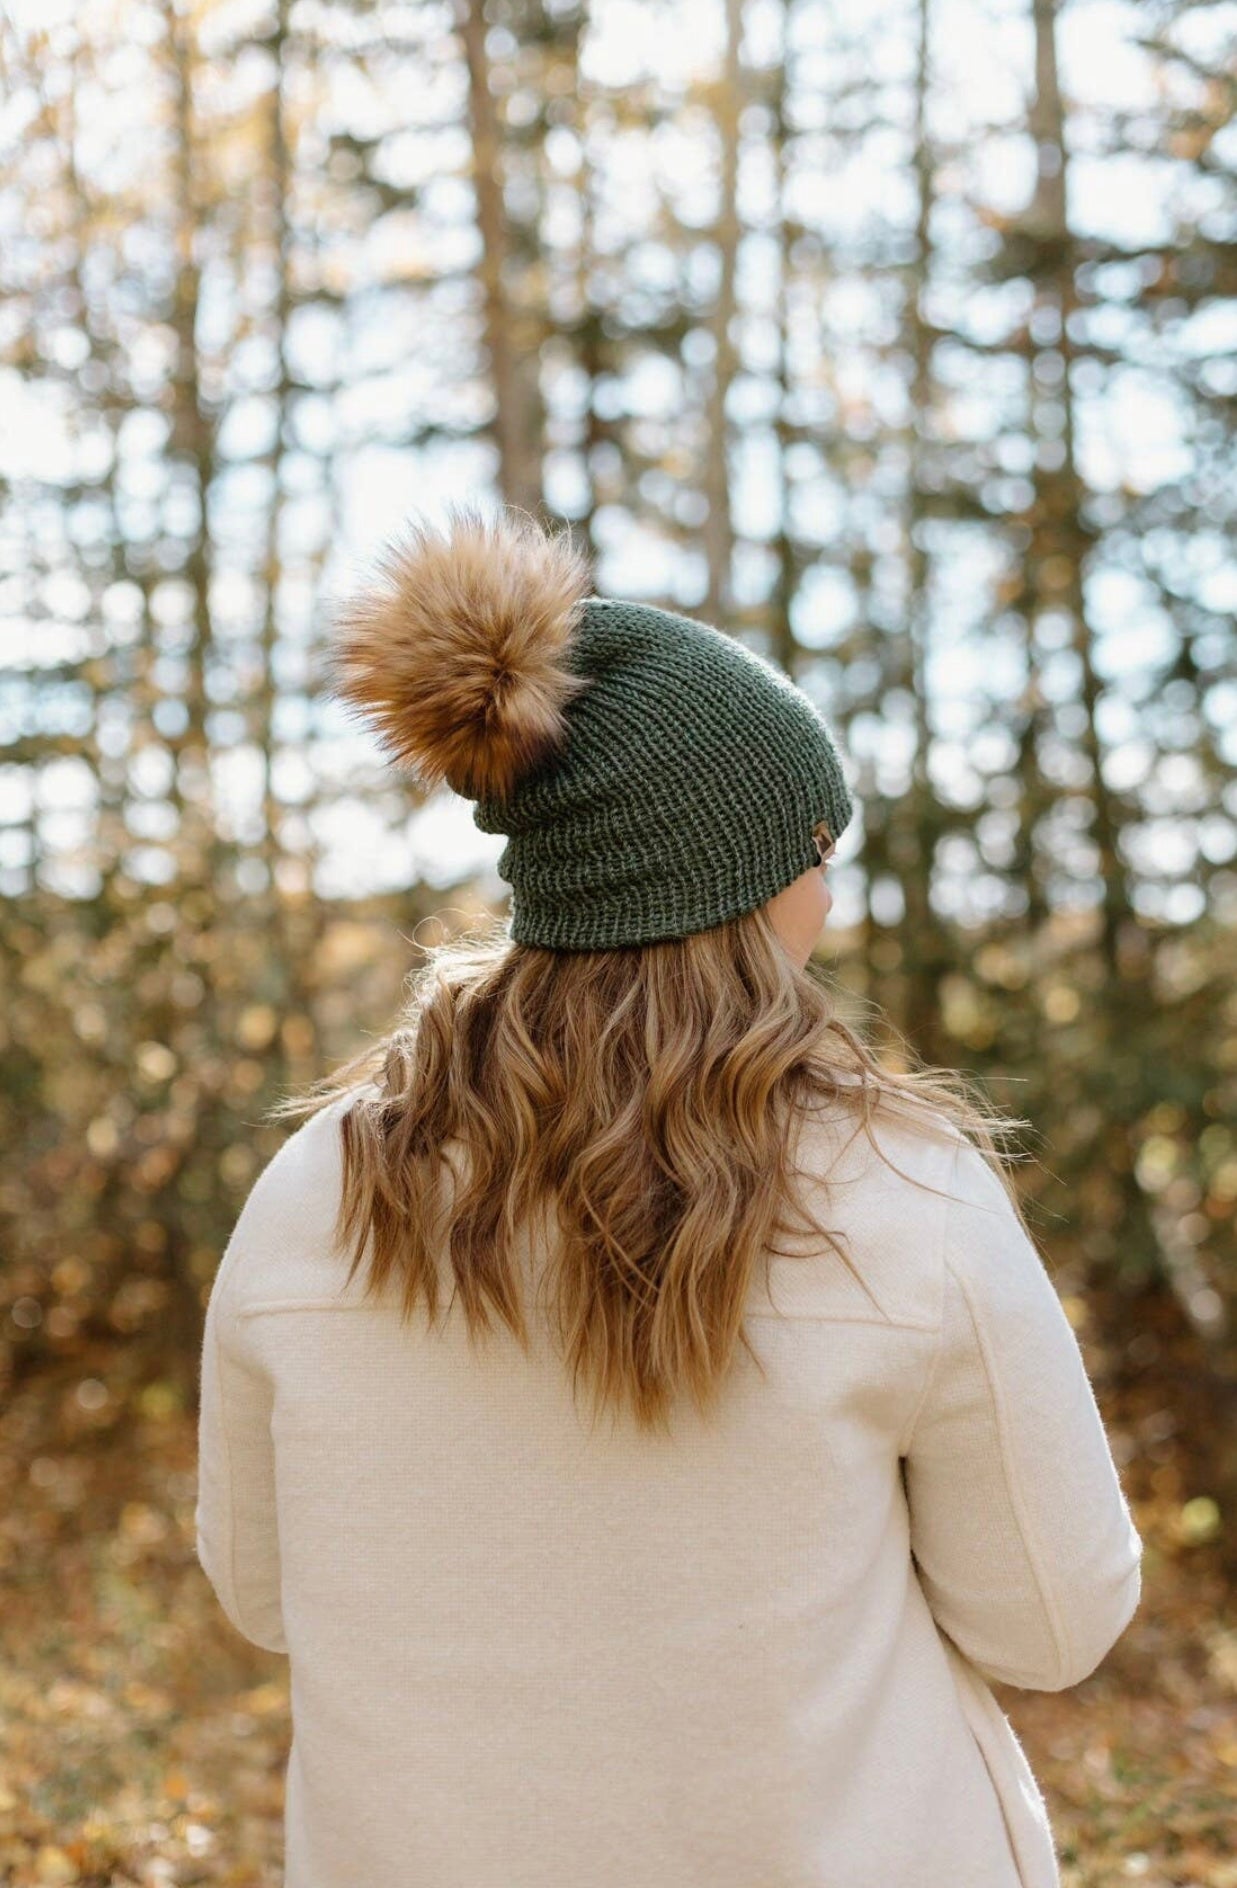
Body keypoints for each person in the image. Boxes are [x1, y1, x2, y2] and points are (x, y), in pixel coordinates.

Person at [195, 504, 1142, 1888]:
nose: (826, 883)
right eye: (813, 847)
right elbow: (1053, 1625)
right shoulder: (901, 1192)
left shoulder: (314, 1190)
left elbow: (262, 1597)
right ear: (739, 881)